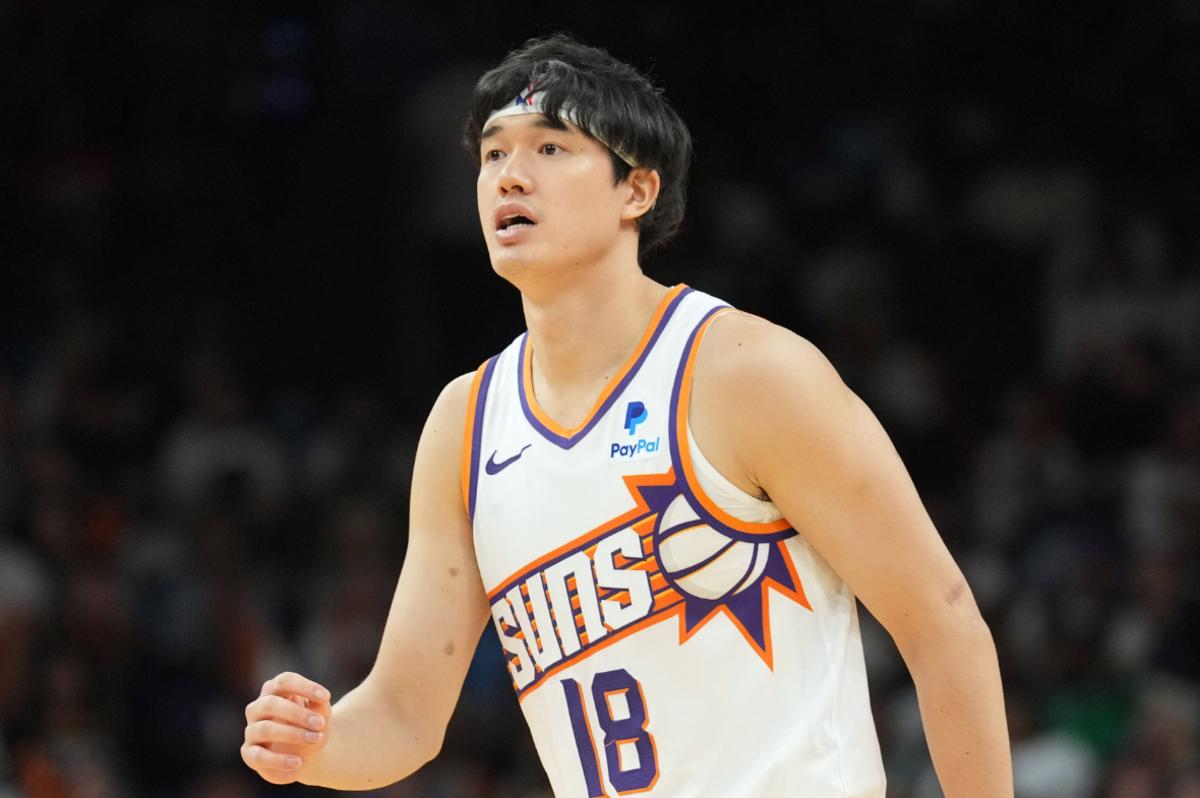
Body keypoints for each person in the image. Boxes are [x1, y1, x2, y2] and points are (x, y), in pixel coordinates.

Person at [240, 33, 1013, 797]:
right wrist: (315, 743)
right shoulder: (466, 424)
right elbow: (406, 714)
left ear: (635, 191)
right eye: (494, 155)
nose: (511, 176)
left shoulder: (744, 372)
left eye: (549, 150)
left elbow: (941, 623)